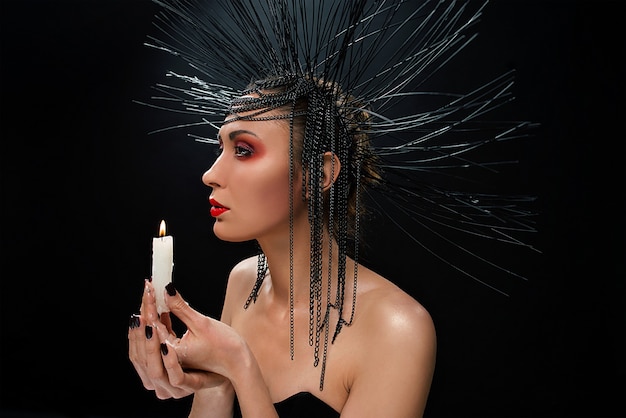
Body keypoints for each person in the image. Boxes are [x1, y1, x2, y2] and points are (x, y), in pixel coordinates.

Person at [128, 1, 535, 417]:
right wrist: (215, 380)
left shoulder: (398, 328)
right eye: (221, 149)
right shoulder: (243, 283)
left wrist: (239, 364)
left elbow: (238, 364)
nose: (210, 175)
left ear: (319, 173)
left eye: (244, 150)